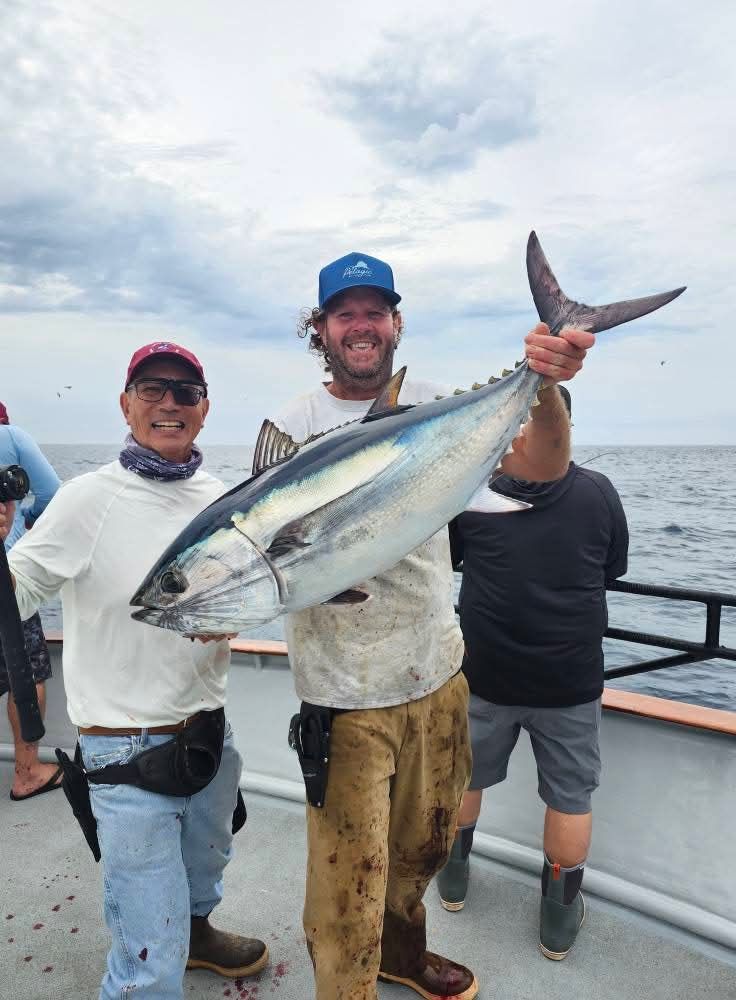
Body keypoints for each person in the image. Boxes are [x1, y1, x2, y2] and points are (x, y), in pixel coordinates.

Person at [270, 252, 595, 1000]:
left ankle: (405, 956)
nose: (362, 326)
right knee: (348, 880)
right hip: (345, 698)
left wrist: (544, 380)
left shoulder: (435, 405)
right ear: (320, 328)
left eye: (374, 311)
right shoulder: (294, 426)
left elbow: (539, 473)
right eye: (344, 313)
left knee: (423, 850)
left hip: (440, 673)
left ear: (396, 322)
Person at [0, 343, 268, 999]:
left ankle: (199, 934)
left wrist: (242, 611)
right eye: (152, 388)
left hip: (209, 730)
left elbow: (262, 585)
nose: (169, 403)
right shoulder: (88, 500)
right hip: (124, 751)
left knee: (207, 866)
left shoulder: (231, 499)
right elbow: (19, 591)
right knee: (149, 958)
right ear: (125, 404)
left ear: (205, 410)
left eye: (185, 391)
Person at [438, 386, 629, 961]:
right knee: (570, 798)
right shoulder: (599, 492)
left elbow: (451, 557)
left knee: (463, 781)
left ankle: (451, 886)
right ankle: (558, 921)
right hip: (568, 682)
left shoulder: (475, 492)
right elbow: (613, 567)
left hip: (486, 674)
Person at [0, 401, 63, 800]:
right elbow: (53, 493)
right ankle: (27, 772)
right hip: (10, 581)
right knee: (26, 674)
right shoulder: (11, 437)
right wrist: (29, 518)